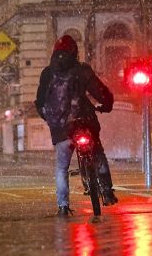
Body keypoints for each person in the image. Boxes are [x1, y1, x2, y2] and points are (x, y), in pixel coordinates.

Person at [35, 34, 116, 217]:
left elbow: (40, 102)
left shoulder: (47, 73)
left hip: (62, 129)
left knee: (62, 168)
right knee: (98, 153)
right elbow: (100, 91)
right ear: (75, 52)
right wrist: (107, 104)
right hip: (84, 121)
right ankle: (107, 191)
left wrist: (50, 119)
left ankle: (63, 206)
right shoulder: (82, 70)